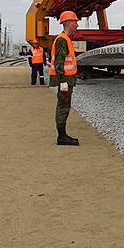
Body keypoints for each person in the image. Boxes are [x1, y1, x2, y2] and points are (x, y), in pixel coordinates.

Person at [50, 11, 80, 146]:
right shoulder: (62, 40)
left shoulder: (65, 39)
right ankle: (62, 137)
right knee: (63, 106)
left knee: (64, 105)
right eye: (75, 22)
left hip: (67, 80)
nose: (77, 25)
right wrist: (63, 82)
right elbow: (59, 64)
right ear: (68, 24)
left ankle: (62, 135)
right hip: (65, 81)